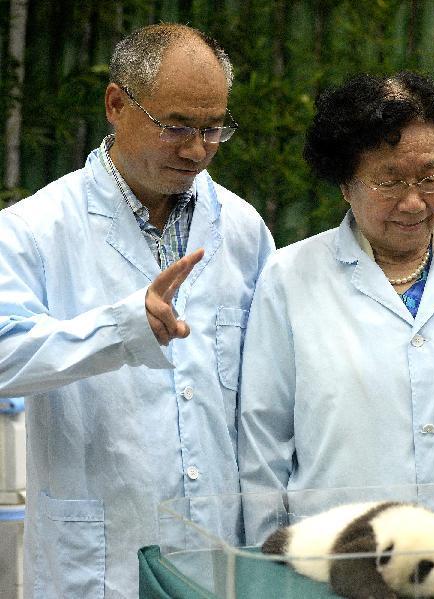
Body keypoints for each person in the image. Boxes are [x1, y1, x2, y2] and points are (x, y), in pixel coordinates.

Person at [0, 24, 274, 598]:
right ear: (117, 104)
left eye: (213, 128)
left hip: (220, 553)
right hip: (100, 563)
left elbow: (273, 389)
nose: (197, 149)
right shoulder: (33, 229)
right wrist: (122, 328)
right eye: (176, 127)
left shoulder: (243, 229)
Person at [238, 71, 434, 538]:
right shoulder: (289, 279)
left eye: (430, 178)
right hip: (339, 564)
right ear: (346, 184)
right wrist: (269, 563)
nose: (413, 202)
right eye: (389, 181)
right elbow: (263, 447)